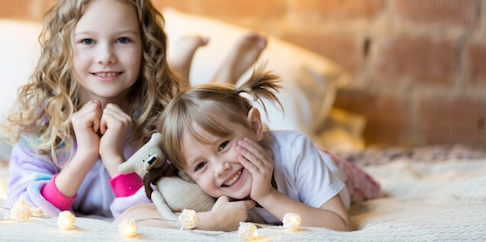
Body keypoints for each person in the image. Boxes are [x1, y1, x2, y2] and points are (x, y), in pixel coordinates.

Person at [2, 0, 268, 219]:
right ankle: (184, 60)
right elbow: (24, 208)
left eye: (123, 40)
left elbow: (171, 203)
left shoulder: (161, 116)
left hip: (172, 99)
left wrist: (113, 157)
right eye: (87, 41)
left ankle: (222, 74)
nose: (105, 57)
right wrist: (84, 155)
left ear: (146, 47)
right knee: (185, 94)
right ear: (64, 50)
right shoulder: (43, 120)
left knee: (202, 108)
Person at [120, 67, 381, 232]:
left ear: (255, 126)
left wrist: (266, 195)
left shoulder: (296, 152)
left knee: (371, 189)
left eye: (223, 145)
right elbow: (131, 218)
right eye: (201, 165)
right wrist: (208, 221)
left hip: (330, 167)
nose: (220, 168)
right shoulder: (202, 186)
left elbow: (341, 225)